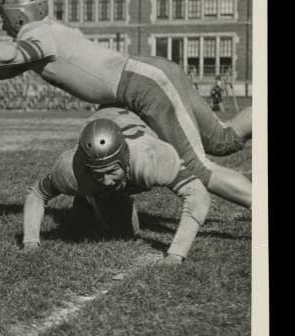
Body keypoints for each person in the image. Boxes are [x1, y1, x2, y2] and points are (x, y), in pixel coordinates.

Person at [0, 0, 252, 208]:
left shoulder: (39, 35)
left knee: (199, 169)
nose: (2, 26)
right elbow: (2, 68)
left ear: (16, 15)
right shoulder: (45, 35)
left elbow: (4, 55)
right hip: (150, 76)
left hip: (145, 84)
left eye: (4, 19)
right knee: (222, 140)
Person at [23, 107, 211, 266]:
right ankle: (87, 197)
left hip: (130, 116)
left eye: (112, 171)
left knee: (124, 229)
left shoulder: (151, 158)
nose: (106, 180)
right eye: (98, 173)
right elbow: (37, 193)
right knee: (122, 233)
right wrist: (31, 242)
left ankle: (90, 197)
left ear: (124, 159)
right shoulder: (72, 169)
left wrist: (176, 254)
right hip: (100, 120)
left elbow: (197, 195)